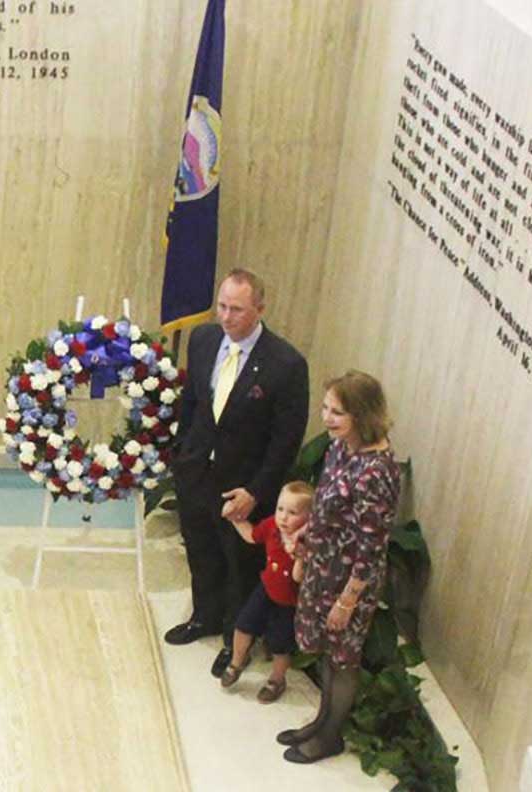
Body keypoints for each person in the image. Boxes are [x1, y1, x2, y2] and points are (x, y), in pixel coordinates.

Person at [164, 269, 310, 684]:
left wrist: (256, 491)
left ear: (259, 309)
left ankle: (236, 639)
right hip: (197, 473)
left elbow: (285, 441)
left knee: (238, 563)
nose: (226, 316)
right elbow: (193, 403)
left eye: (237, 309)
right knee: (201, 550)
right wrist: (183, 455)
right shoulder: (205, 340)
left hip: (242, 485)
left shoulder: (286, 364)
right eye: (222, 305)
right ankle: (204, 617)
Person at [278, 370, 402, 764]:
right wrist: (305, 534)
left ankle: (330, 735)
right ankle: (321, 719)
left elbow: (371, 545)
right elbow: (327, 505)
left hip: (351, 581)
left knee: (343, 658)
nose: (327, 418)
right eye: (326, 408)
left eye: (338, 412)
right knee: (328, 653)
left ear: (362, 415)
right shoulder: (339, 448)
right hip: (324, 567)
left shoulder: (377, 471)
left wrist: (348, 601)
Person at [219, 480, 312, 703]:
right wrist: (235, 519)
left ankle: (277, 680)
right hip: (266, 588)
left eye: (293, 512)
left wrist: (300, 556)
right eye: (280, 509)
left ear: (309, 519)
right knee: (243, 625)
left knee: (280, 644)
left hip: (288, 601)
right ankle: (237, 662)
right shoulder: (271, 526)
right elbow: (252, 536)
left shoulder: (307, 543)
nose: (283, 517)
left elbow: (299, 578)